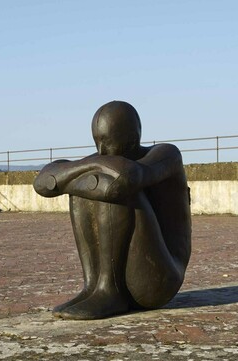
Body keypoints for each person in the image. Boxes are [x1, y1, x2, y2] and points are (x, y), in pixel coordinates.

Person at [34, 101, 191, 320]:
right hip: (137, 274)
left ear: (132, 139)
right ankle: (93, 286)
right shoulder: (103, 160)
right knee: (92, 188)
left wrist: (70, 177)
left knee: (119, 193)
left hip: (161, 279)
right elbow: (42, 183)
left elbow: (128, 178)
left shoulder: (166, 155)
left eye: (108, 142)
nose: (101, 151)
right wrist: (87, 173)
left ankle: (110, 289)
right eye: (98, 142)